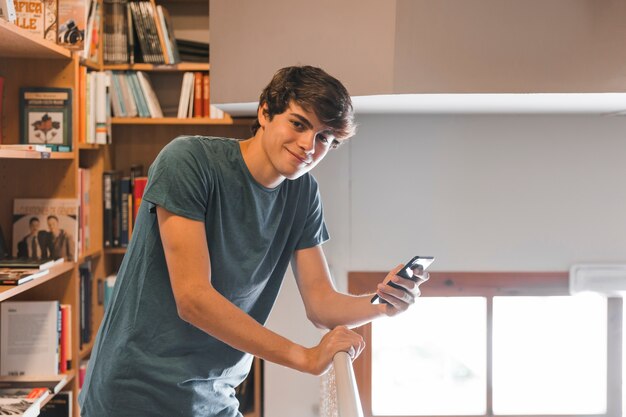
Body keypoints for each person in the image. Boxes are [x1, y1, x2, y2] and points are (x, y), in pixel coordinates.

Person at [78, 66, 429, 417]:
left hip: (214, 396)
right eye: (299, 123)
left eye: (324, 138)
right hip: (134, 394)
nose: (309, 145)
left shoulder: (303, 193)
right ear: (265, 112)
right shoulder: (188, 161)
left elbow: (321, 304)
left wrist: (383, 304)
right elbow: (193, 299)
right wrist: (304, 357)